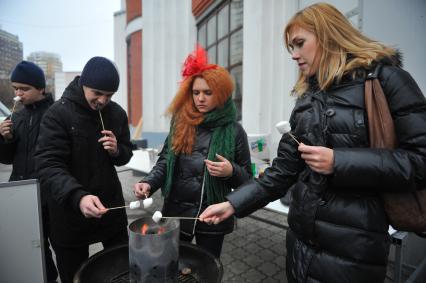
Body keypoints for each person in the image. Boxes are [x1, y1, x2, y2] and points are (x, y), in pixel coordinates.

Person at [199, 3, 426, 283]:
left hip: (353, 253)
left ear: (329, 36)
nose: (294, 55)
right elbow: (281, 173)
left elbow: (420, 161)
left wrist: (339, 162)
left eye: (299, 43)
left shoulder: (386, 80)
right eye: (290, 47)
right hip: (300, 247)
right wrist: (233, 204)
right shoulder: (307, 100)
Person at [133, 46, 252, 258]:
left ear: (222, 95)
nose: (200, 98)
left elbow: (248, 182)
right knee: (173, 265)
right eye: (196, 92)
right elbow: (166, 161)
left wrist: (231, 171)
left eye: (208, 93)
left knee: (206, 267)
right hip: (176, 212)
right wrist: (149, 183)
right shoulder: (181, 123)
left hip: (211, 216)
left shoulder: (235, 131)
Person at [34, 56, 133, 283]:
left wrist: (118, 150)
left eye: (109, 95)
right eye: (97, 93)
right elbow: (48, 164)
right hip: (69, 213)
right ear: (83, 84)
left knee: (122, 270)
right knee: (75, 276)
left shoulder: (116, 113)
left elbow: (126, 154)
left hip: (110, 209)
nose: (103, 100)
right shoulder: (58, 114)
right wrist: (78, 197)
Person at [0, 61, 58, 282]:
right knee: (33, 244)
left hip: (49, 193)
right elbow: (6, 158)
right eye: (15, 88)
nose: (18, 94)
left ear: (40, 88)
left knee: (58, 242)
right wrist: (4, 139)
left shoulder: (54, 114)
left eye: (24, 89)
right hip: (22, 192)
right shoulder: (16, 117)